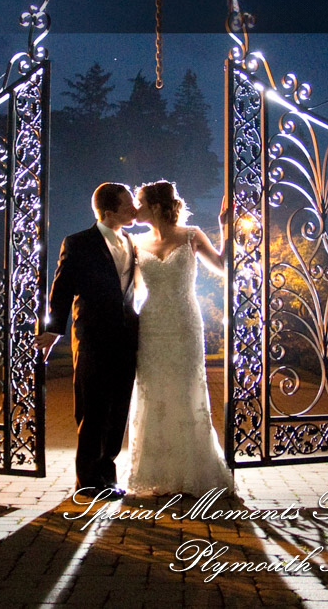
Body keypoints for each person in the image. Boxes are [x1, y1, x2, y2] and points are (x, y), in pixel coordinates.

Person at [122, 180, 235, 498]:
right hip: (152, 324)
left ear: (156, 206)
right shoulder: (134, 242)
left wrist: (224, 227)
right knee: (153, 394)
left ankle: (192, 471)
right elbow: (130, 288)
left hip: (185, 323)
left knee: (186, 392)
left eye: (140, 202)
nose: (135, 208)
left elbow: (224, 266)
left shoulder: (191, 235)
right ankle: (155, 473)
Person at [35, 182, 140, 497]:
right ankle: (87, 482)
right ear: (109, 211)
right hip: (92, 337)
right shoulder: (78, 243)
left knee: (119, 407)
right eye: (128, 203)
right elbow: (61, 290)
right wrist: (53, 331)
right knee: (93, 407)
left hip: (127, 337)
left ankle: (108, 475)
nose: (134, 208)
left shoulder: (132, 241)